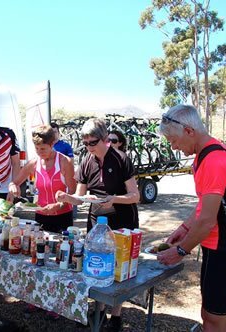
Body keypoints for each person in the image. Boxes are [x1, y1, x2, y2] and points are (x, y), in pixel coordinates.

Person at [156, 104, 226, 332]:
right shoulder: (204, 155)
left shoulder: (213, 160)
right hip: (218, 245)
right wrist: (185, 227)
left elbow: (208, 220)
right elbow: (206, 204)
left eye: (174, 141)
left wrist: (180, 251)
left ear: (189, 131)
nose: (175, 147)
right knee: (209, 314)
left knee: (215, 319)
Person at [55, 118, 139, 331]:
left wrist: (113, 199)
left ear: (104, 139)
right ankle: (99, 310)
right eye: (85, 144)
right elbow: (80, 197)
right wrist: (67, 197)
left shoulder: (121, 159)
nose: (89, 147)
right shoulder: (87, 161)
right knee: (97, 264)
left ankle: (116, 315)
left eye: (92, 143)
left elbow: (134, 196)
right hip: (97, 220)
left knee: (118, 266)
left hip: (122, 219)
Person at [8, 124, 76, 233]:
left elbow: (73, 192)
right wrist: (13, 187)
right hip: (41, 216)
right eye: (37, 148)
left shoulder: (64, 162)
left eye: (43, 148)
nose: (40, 152)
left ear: (52, 144)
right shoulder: (34, 162)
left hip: (62, 217)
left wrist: (59, 205)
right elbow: (14, 182)